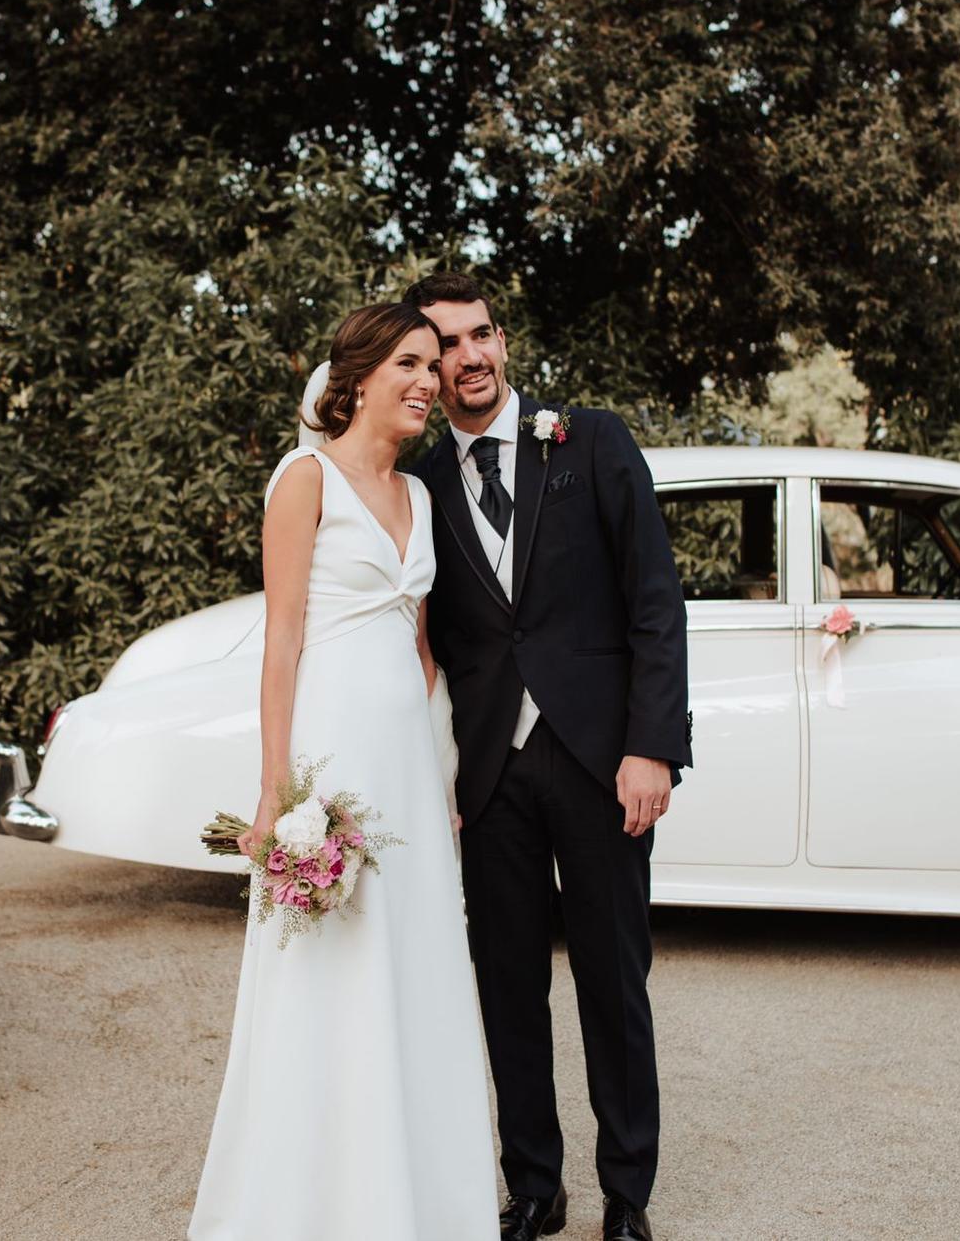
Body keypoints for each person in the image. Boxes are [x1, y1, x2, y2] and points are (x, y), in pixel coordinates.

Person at [190, 303, 496, 1240]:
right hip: (333, 760)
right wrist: (278, 788)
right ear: (357, 376)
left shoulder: (422, 495)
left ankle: (422, 1202)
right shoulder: (304, 479)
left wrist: (445, 771)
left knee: (417, 964)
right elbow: (281, 641)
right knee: (329, 971)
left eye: (431, 367)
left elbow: (423, 647)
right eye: (407, 363)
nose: (427, 381)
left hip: (408, 756)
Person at [406, 273, 690, 1241]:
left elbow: (654, 599)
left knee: (612, 980)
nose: (469, 355)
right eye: (445, 343)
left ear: (501, 337)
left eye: (479, 333)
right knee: (507, 986)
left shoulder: (591, 440)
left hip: (601, 762)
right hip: (488, 777)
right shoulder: (422, 485)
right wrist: (430, 770)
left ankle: (625, 1194)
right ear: (427, 365)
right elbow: (423, 641)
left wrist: (651, 744)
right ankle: (533, 1185)